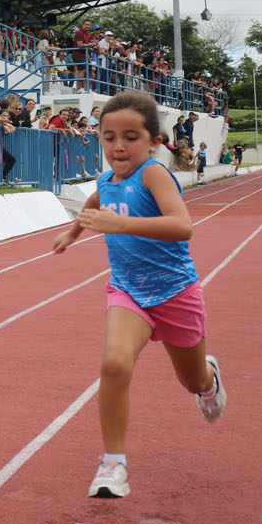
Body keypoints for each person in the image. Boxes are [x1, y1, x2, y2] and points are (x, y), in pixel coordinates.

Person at [52, 90, 227, 499]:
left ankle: (209, 380)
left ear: (152, 140)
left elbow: (182, 227)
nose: (118, 146)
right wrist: (73, 231)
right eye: (108, 137)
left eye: (130, 136)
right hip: (128, 291)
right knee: (114, 363)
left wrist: (120, 226)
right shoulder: (105, 180)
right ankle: (114, 463)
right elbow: (97, 202)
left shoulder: (153, 174)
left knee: (192, 380)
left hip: (175, 293)